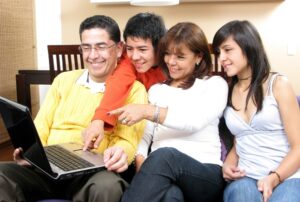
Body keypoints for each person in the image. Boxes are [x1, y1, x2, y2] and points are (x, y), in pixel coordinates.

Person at [0, 15, 147, 202]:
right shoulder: (63, 80)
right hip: (47, 168)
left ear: (119, 49)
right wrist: (29, 155)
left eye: (101, 46)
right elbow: (41, 127)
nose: (92, 55)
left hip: (92, 174)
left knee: (108, 187)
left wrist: (121, 152)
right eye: (86, 47)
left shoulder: (134, 89)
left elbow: (128, 140)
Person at [114, 22, 228, 202]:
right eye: (167, 54)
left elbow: (194, 121)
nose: (171, 62)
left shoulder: (214, 85)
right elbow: (146, 135)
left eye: (180, 57)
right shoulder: (157, 90)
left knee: (165, 155)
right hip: (164, 173)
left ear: (198, 57)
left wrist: (148, 111)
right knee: (170, 195)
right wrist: (141, 161)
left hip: (204, 175)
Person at [212, 20, 300, 202]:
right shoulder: (226, 91)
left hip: (287, 175)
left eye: (228, 50)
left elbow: (299, 146)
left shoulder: (278, 84)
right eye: (218, 52)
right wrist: (228, 164)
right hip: (246, 176)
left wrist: (274, 177)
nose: (221, 58)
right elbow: (241, 139)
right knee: (241, 196)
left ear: (248, 46)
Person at [82, 12, 167, 151]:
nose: (135, 56)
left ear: (159, 47)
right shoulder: (128, 62)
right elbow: (118, 83)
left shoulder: (171, 62)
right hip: (141, 131)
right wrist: (98, 120)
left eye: (142, 49)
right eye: (129, 48)